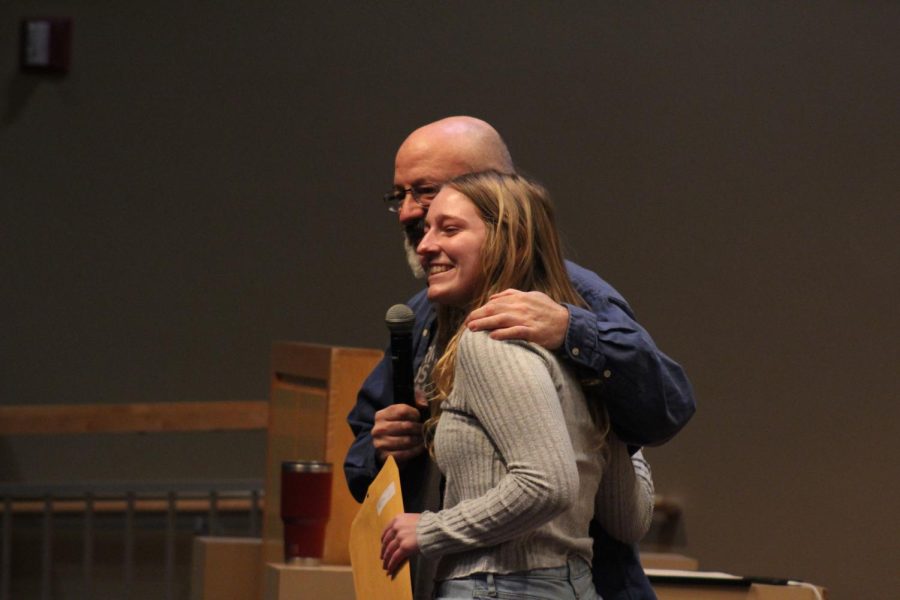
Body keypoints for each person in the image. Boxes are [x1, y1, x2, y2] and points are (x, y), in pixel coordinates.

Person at [345, 116, 695, 600]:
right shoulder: (429, 312)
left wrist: (574, 331)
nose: (409, 215)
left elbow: (668, 407)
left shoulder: (573, 301)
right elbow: (362, 457)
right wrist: (386, 446)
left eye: (426, 194)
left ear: (495, 194)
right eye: (399, 197)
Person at [379, 171, 654, 599]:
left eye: (449, 229)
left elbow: (547, 485)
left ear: (510, 241)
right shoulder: (572, 350)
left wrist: (431, 530)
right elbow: (628, 518)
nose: (426, 244)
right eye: (428, 229)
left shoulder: (489, 340)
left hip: (497, 587)